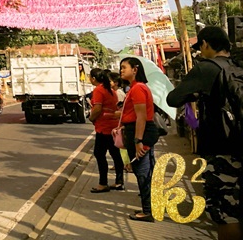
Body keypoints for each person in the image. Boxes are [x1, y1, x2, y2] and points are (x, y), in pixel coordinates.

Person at [167, 27, 241, 240]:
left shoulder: (206, 69)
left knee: (224, 213)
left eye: (200, 46)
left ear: (206, 44)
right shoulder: (237, 66)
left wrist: (196, 92)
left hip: (222, 152)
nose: (200, 51)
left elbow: (173, 99)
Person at [119, 56, 159, 223]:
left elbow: (141, 116)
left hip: (140, 132)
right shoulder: (135, 88)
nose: (121, 70)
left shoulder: (137, 89)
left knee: (142, 172)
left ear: (135, 69)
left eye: (124, 67)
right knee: (146, 171)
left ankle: (148, 211)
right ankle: (150, 207)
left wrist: (137, 141)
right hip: (137, 131)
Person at [88, 69, 124, 193]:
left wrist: (91, 118)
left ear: (93, 78)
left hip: (103, 127)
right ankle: (119, 181)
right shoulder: (111, 91)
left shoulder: (98, 90)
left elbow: (97, 108)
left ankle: (103, 183)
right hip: (112, 126)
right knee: (115, 154)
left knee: (99, 154)